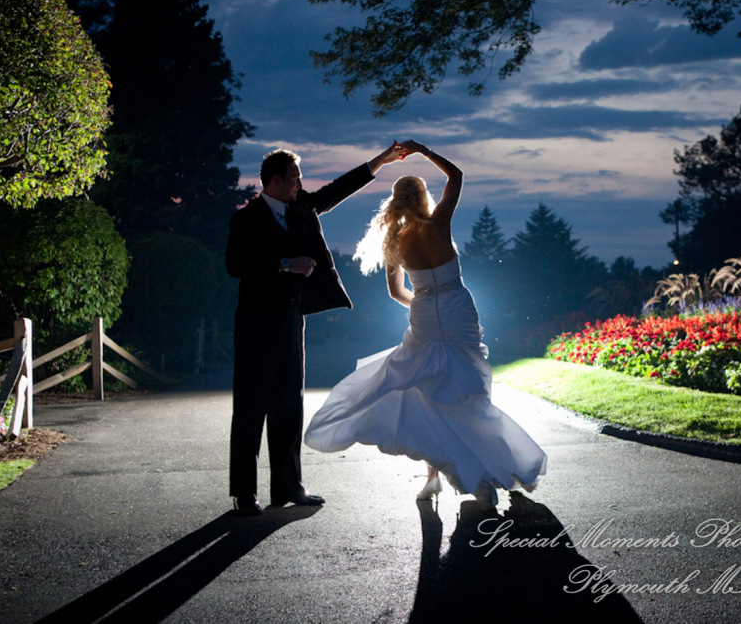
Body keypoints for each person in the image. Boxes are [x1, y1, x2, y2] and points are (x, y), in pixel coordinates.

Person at [303, 140, 547, 508]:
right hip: (458, 309)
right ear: (423, 197)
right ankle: (486, 468)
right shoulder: (439, 222)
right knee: (468, 391)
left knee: (426, 392)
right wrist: (424, 151)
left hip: (424, 314)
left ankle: (434, 476)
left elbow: (395, 291)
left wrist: (422, 303)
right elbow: (457, 176)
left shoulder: (394, 241)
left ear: (397, 201)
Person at [225, 142, 404, 515]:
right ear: (275, 181)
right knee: (250, 408)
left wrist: (381, 161)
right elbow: (236, 264)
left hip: (292, 319)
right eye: (294, 177)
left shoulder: (301, 207)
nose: (300, 183)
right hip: (255, 323)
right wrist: (285, 263)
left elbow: (335, 190)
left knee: (290, 404)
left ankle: (288, 487)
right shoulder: (246, 219)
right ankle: (244, 493)